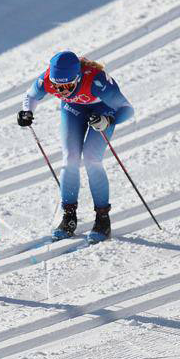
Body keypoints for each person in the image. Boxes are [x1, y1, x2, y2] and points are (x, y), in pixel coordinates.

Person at [18, 51, 134, 242]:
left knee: (91, 158)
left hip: (103, 109)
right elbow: (31, 96)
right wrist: (26, 112)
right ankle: (69, 216)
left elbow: (127, 109)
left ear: (78, 77)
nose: (62, 91)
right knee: (70, 158)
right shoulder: (48, 79)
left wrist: (108, 120)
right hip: (73, 109)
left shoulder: (96, 82)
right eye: (58, 87)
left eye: (68, 86)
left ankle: (102, 219)